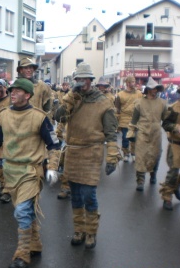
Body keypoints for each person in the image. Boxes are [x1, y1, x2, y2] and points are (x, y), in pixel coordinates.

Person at [0, 78, 61, 268]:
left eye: (17, 91)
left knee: (22, 212)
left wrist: (52, 166)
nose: (12, 93)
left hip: (30, 171)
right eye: (12, 90)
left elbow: (53, 145)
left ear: (27, 95)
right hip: (10, 171)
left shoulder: (39, 117)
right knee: (25, 210)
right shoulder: (3, 115)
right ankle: (35, 244)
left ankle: (22, 254)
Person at [54, 62, 120, 250]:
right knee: (75, 194)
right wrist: (70, 96)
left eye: (85, 79)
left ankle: (91, 231)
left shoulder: (103, 102)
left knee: (89, 194)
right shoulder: (71, 98)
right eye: (78, 80)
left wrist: (112, 156)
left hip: (92, 151)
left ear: (91, 80)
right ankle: (79, 230)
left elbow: (111, 132)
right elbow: (59, 116)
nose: (81, 83)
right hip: (73, 150)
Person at [126, 77, 167, 191]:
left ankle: (153, 174)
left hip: (156, 133)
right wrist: (131, 132)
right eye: (153, 89)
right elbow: (134, 120)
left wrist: (171, 131)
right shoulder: (139, 103)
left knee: (156, 155)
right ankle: (140, 180)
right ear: (148, 89)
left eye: (157, 89)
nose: (155, 91)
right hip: (142, 132)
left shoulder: (162, 103)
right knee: (140, 156)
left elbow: (166, 120)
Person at [159, 83, 180, 211]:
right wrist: (178, 128)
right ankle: (167, 196)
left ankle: (177, 189)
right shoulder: (175, 107)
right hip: (176, 145)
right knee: (173, 172)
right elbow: (165, 124)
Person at [115, 75, 143, 162]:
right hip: (124, 119)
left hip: (136, 119)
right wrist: (116, 120)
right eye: (132, 82)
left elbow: (143, 105)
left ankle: (133, 153)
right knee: (125, 138)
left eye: (134, 82)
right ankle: (126, 153)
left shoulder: (139, 93)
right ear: (127, 83)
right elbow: (117, 108)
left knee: (134, 138)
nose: (134, 83)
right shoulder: (120, 95)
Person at [55, 81, 70, 200]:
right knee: (65, 159)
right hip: (69, 137)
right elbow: (61, 119)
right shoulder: (68, 101)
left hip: (85, 141)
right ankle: (65, 187)